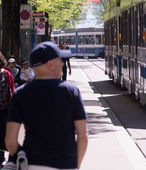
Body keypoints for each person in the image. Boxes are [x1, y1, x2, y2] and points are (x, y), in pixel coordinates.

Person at [5, 41, 88, 169]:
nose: (63, 63)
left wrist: (19, 156)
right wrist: (76, 166)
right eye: (61, 60)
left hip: (33, 163)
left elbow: (10, 141)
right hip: (66, 164)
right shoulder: (71, 92)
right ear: (51, 64)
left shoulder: (19, 94)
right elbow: (83, 136)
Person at [0, 52, 15, 166]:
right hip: (4, 110)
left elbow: (12, 91)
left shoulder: (7, 74)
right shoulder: (6, 74)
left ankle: (1, 156)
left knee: (2, 133)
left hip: (4, 110)